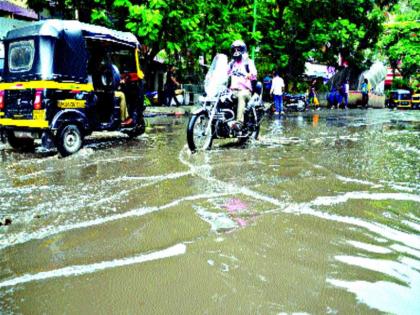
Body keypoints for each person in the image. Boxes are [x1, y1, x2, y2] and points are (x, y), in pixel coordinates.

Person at [228, 39, 257, 130]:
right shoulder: (232, 63)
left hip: (245, 91)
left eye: (238, 49)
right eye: (234, 49)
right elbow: (224, 72)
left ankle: (239, 123)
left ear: (243, 50)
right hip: (232, 91)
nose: (236, 51)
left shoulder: (248, 62)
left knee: (241, 95)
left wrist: (250, 75)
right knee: (219, 97)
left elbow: (254, 74)